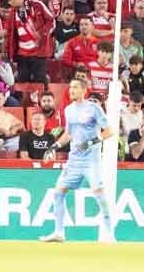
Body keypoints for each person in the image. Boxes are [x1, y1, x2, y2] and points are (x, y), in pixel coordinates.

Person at [38, 76, 117, 244]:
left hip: (91, 161)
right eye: (70, 87)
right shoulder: (68, 109)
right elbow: (68, 134)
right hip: (74, 160)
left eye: (75, 87)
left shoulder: (94, 108)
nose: (71, 90)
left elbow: (109, 131)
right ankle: (59, 232)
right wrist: (54, 147)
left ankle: (110, 234)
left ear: (83, 90)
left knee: (99, 194)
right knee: (58, 193)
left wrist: (91, 142)